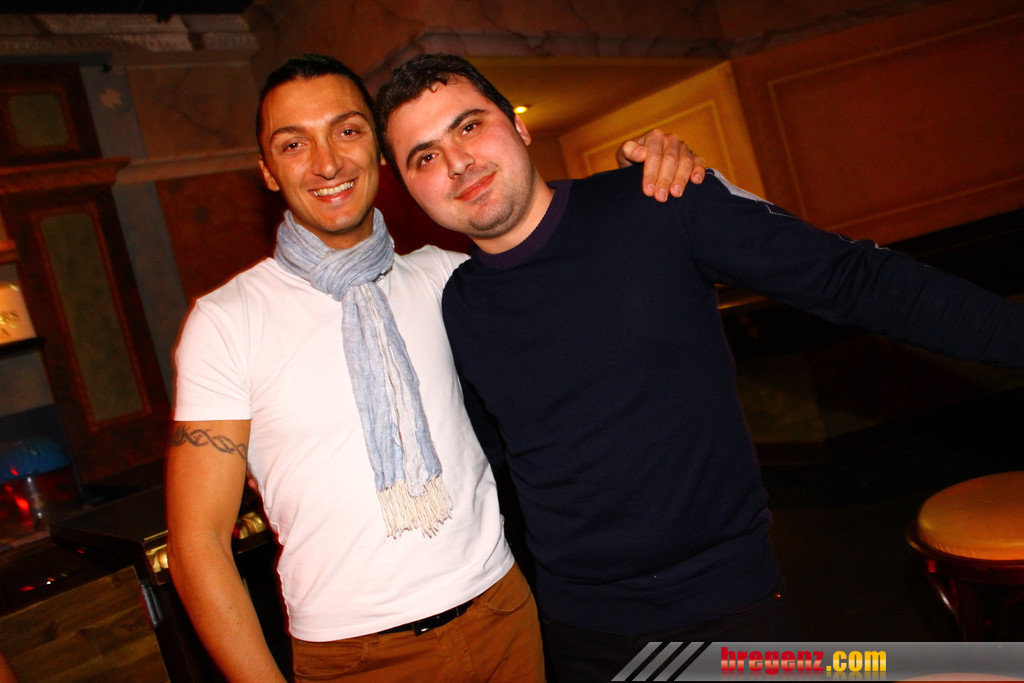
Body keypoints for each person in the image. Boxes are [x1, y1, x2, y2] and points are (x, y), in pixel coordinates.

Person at [374, 53, 1024, 681]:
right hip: (582, 636)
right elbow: (493, 464)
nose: (457, 162)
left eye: (469, 125)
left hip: (729, 615)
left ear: (518, 126)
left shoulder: (657, 200)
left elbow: (855, 278)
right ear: (408, 190)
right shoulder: (457, 305)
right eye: (424, 157)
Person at [164, 53, 706, 683]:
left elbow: (561, 259)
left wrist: (643, 185)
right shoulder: (227, 321)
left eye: (347, 130)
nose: (327, 163)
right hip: (354, 660)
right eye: (293, 143)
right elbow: (198, 543)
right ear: (266, 170)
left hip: (506, 615)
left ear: (379, 149)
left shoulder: (448, 279)